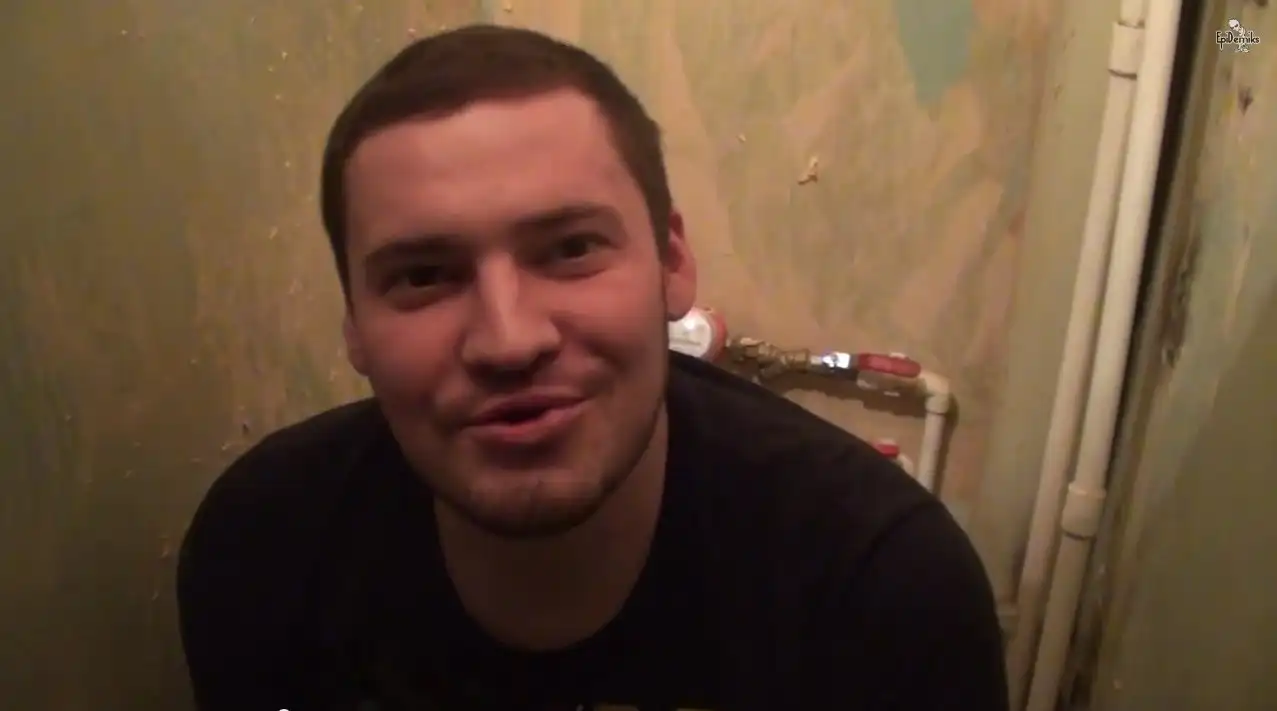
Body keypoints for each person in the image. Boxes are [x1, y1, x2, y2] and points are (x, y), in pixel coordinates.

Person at [177, 23, 1009, 711]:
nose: (508, 340)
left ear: (671, 262)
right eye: (424, 275)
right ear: (353, 323)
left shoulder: (877, 590)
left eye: (571, 248)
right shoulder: (264, 549)